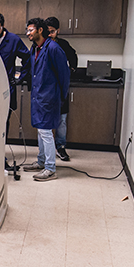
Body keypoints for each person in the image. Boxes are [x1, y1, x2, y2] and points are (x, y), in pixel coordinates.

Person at [22, 17, 70, 181]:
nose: (28, 33)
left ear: (40, 30)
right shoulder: (35, 48)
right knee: (41, 131)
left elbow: (64, 74)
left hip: (49, 97)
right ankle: (41, 161)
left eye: (30, 30)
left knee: (46, 132)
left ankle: (50, 168)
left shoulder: (54, 48)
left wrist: (61, 97)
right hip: (39, 95)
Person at [0, 12, 29, 127]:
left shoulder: (13, 40)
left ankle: (2, 144)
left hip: (7, 86)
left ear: (3, 26)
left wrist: (21, 77)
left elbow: (27, 58)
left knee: (4, 120)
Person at [45, 17, 78, 161]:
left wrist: (71, 69)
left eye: (52, 32)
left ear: (58, 31)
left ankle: (60, 146)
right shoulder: (42, 44)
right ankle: (46, 150)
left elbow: (73, 56)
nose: (49, 34)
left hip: (60, 86)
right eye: (47, 32)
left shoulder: (63, 45)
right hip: (46, 87)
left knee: (61, 119)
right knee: (45, 121)